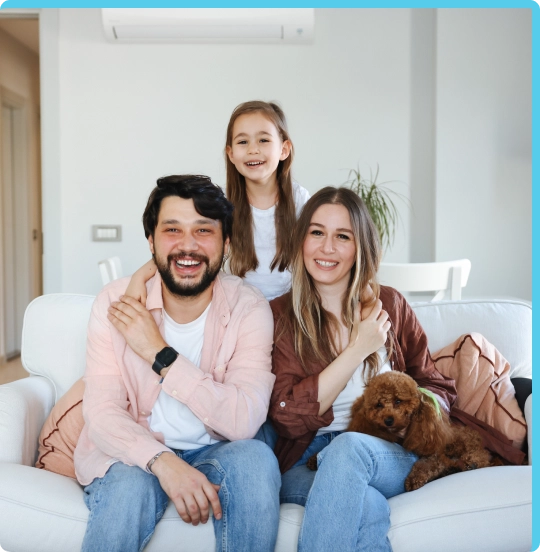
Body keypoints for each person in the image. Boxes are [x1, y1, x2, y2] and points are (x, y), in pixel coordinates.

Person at [74, 175, 281, 552]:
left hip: (220, 449)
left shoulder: (249, 307)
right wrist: (163, 462)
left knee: (255, 459)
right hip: (134, 452)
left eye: (204, 230)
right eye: (173, 230)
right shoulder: (116, 302)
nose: (188, 246)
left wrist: (160, 354)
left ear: (226, 243)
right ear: (151, 241)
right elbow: (102, 413)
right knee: (128, 486)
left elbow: (243, 420)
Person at [268, 186, 457, 552]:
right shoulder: (281, 317)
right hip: (308, 458)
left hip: (387, 450)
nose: (327, 248)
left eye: (343, 237)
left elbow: (436, 385)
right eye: (317, 232)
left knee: (350, 449)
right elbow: (286, 418)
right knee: (366, 506)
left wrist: (413, 417)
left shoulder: (390, 303)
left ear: (360, 247)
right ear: (301, 240)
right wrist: (357, 350)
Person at [126, 100, 310, 302]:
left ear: (284, 149)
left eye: (263, 140)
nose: (253, 149)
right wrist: (139, 276)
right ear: (230, 154)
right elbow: (186, 247)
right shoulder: (221, 201)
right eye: (242, 142)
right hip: (237, 304)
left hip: (290, 305)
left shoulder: (300, 200)